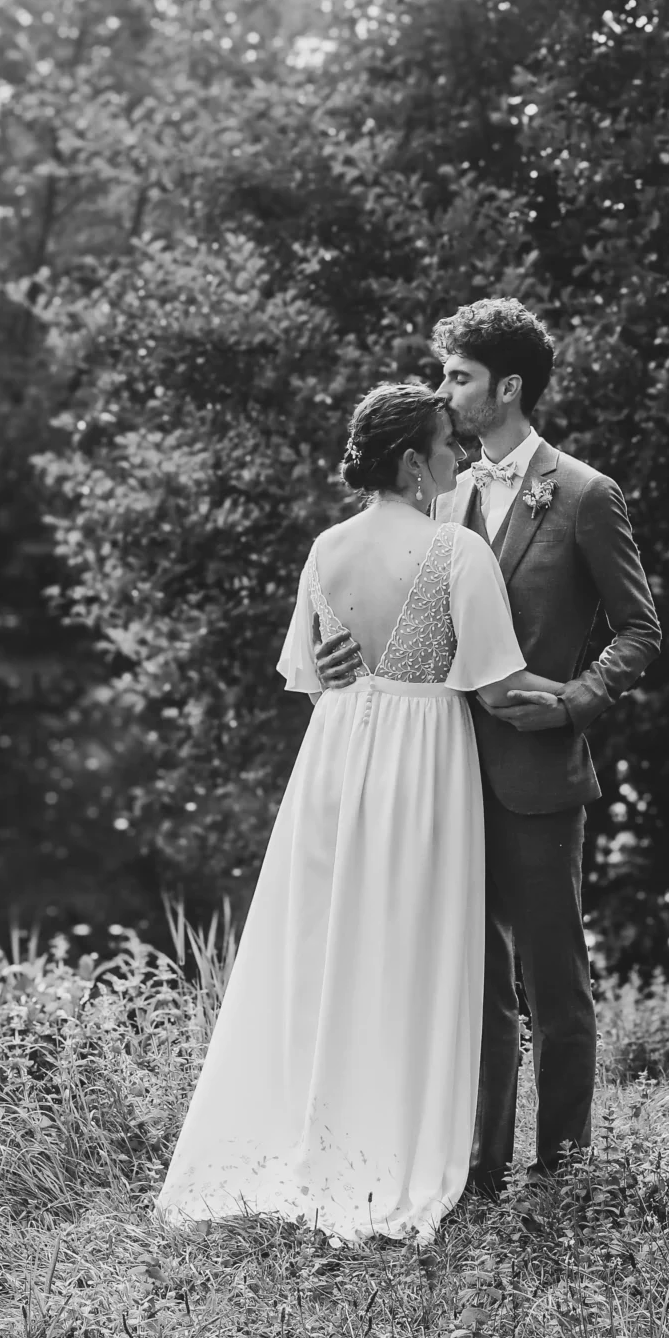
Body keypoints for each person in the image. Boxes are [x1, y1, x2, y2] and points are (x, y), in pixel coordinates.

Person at [155, 381, 564, 1244]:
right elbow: (496, 684)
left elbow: (309, 675)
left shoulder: (325, 548)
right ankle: (394, 1137)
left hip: (339, 754)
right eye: (450, 447)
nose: (459, 461)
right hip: (421, 760)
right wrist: (587, 689)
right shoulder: (456, 554)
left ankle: (322, 1130)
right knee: (411, 944)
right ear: (415, 462)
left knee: (328, 942)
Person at [318, 299, 661, 1197]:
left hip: (537, 774)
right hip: (442, 771)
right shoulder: (446, 493)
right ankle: (479, 1173)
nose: (445, 393)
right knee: (470, 986)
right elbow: (405, 616)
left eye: (459, 378)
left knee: (556, 987)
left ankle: (563, 1176)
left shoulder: (586, 495)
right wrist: (341, 651)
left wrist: (579, 700)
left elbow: (640, 629)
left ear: (507, 388)